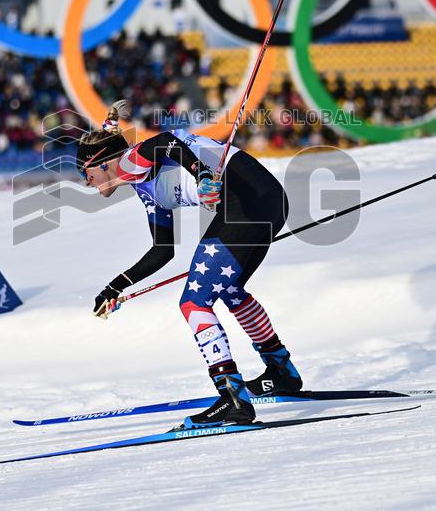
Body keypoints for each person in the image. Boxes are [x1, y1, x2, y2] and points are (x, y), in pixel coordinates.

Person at [77, 100, 303, 428]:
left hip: (246, 203)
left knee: (193, 303)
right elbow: (163, 250)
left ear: (101, 162)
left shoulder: (127, 162)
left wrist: (201, 174)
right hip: (267, 200)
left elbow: (166, 141)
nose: (86, 182)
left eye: (84, 172)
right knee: (230, 290)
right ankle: (281, 371)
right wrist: (116, 286)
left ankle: (233, 399)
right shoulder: (143, 186)